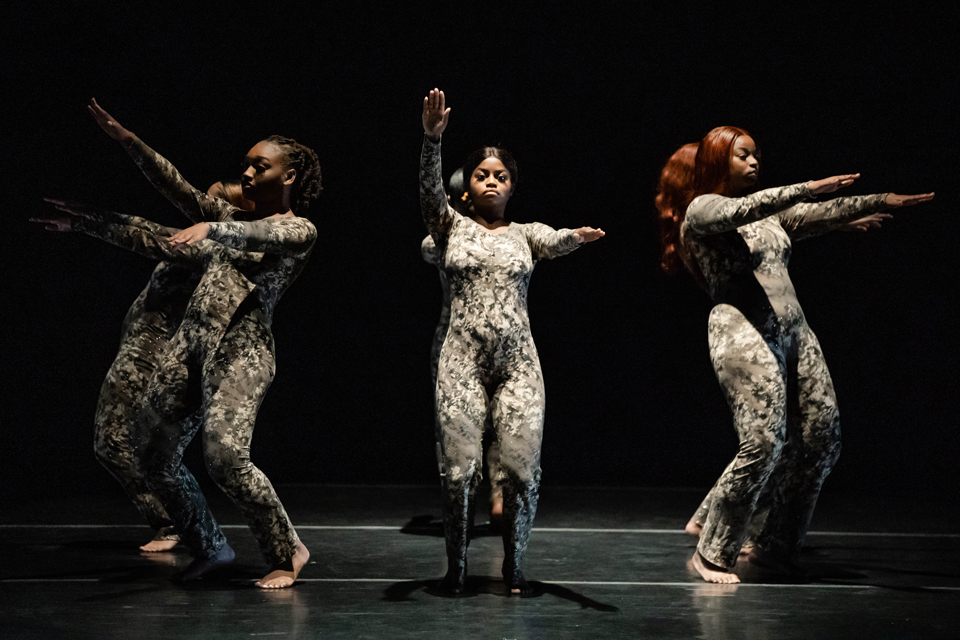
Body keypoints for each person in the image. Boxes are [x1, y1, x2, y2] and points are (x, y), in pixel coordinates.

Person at [36, 100, 322, 589]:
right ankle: (210, 545)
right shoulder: (226, 220)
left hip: (241, 353)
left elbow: (257, 233)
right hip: (189, 348)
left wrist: (211, 226)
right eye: (246, 165)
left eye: (260, 166)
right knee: (148, 453)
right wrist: (128, 143)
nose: (248, 173)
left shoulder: (299, 230)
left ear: (289, 176)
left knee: (226, 459)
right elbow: (174, 193)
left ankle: (287, 549)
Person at [658, 126, 933, 583]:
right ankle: (712, 551)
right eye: (742, 155)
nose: (754, 162)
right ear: (717, 161)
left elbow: (814, 214)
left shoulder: (771, 218)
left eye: (756, 154)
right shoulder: (703, 209)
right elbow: (750, 208)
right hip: (742, 329)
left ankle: (773, 545)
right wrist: (807, 187)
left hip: (793, 331)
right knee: (764, 441)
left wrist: (880, 199)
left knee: (822, 438)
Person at [420, 88, 605, 594]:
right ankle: (457, 567)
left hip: (518, 365)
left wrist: (575, 238)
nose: (491, 181)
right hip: (461, 361)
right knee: (459, 473)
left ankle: (514, 565)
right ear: (469, 183)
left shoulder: (526, 233)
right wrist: (432, 141)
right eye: (482, 174)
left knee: (522, 471)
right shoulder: (450, 228)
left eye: (500, 176)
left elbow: (555, 239)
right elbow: (430, 195)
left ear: (512, 186)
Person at [421, 168, 503, 530]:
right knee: (467, 423)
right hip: (465, 339)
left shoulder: (491, 235)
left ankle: (486, 498)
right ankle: (476, 498)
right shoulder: (447, 238)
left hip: (465, 340)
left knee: (479, 421)